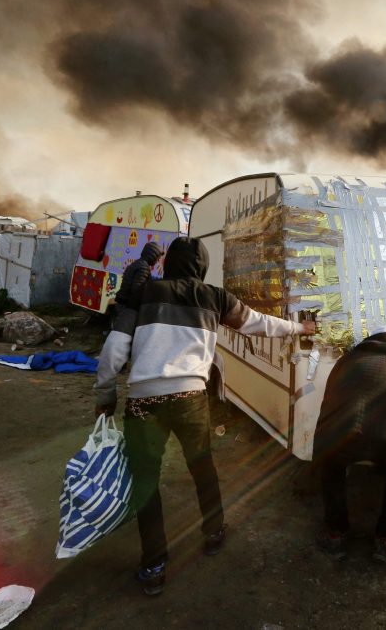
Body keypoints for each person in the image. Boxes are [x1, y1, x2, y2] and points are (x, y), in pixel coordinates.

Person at [94, 237, 315, 596]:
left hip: (143, 401)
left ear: (168, 264)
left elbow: (114, 350)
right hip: (189, 398)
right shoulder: (214, 297)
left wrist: (105, 396)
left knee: (146, 482)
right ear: (203, 267)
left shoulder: (144, 293)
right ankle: (213, 532)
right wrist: (298, 328)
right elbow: (258, 324)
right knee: (202, 465)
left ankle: (154, 565)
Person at [313, 325, 386, 564]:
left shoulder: (347, 360)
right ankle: (385, 540)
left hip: (346, 435)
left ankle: (336, 534)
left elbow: (329, 396)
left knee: (331, 468)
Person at [114, 241, 163, 310]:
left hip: (122, 301)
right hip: (127, 306)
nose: (157, 261)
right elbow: (137, 290)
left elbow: (147, 278)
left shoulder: (138, 263)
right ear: (152, 256)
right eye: (158, 258)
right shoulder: (143, 268)